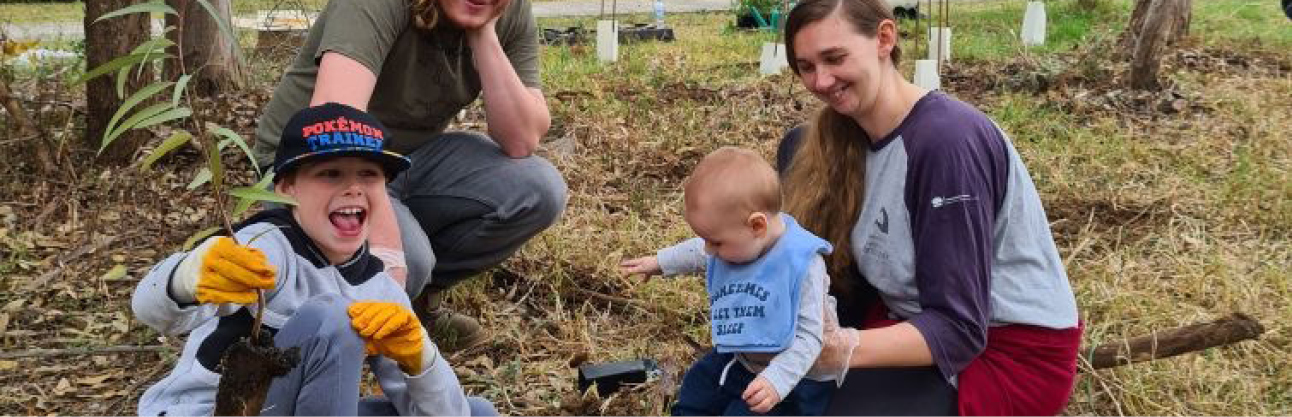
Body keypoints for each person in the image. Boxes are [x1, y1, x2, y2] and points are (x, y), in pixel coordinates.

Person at [774, 0, 1083, 415]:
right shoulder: (831, 141)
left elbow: (960, 328)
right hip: (904, 311)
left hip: (1001, 347)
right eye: (806, 66)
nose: (821, 80)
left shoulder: (945, 143)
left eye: (834, 58)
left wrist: (837, 349)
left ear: (885, 38)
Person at [133, 103, 495, 416]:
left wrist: (421, 358)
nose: (353, 188)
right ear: (287, 188)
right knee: (333, 315)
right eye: (330, 173)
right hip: (212, 410)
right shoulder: (265, 247)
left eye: (369, 175)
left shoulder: (382, 291)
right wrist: (187, 277)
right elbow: (152, 312)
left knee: (477, 412)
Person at [251, 0, 568, 350]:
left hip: (405, 157)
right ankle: (330, 328)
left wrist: (485, 34)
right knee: (406, 263)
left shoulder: (504, 8)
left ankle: (414, 302)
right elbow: (337, 123)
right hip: (313, 162)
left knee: (539, 189)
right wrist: (390, 258)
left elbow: (522, 139)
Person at [620, 147, 849, 416]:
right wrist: (659, 262)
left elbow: (811, 338)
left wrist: (775, 382)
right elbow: (697, 251)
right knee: (697, 386)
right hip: (743, 357)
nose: (708, 250)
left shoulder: (801, 263)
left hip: (794, 379)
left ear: (757, 226)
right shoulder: (738, 241)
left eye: (715, 242)